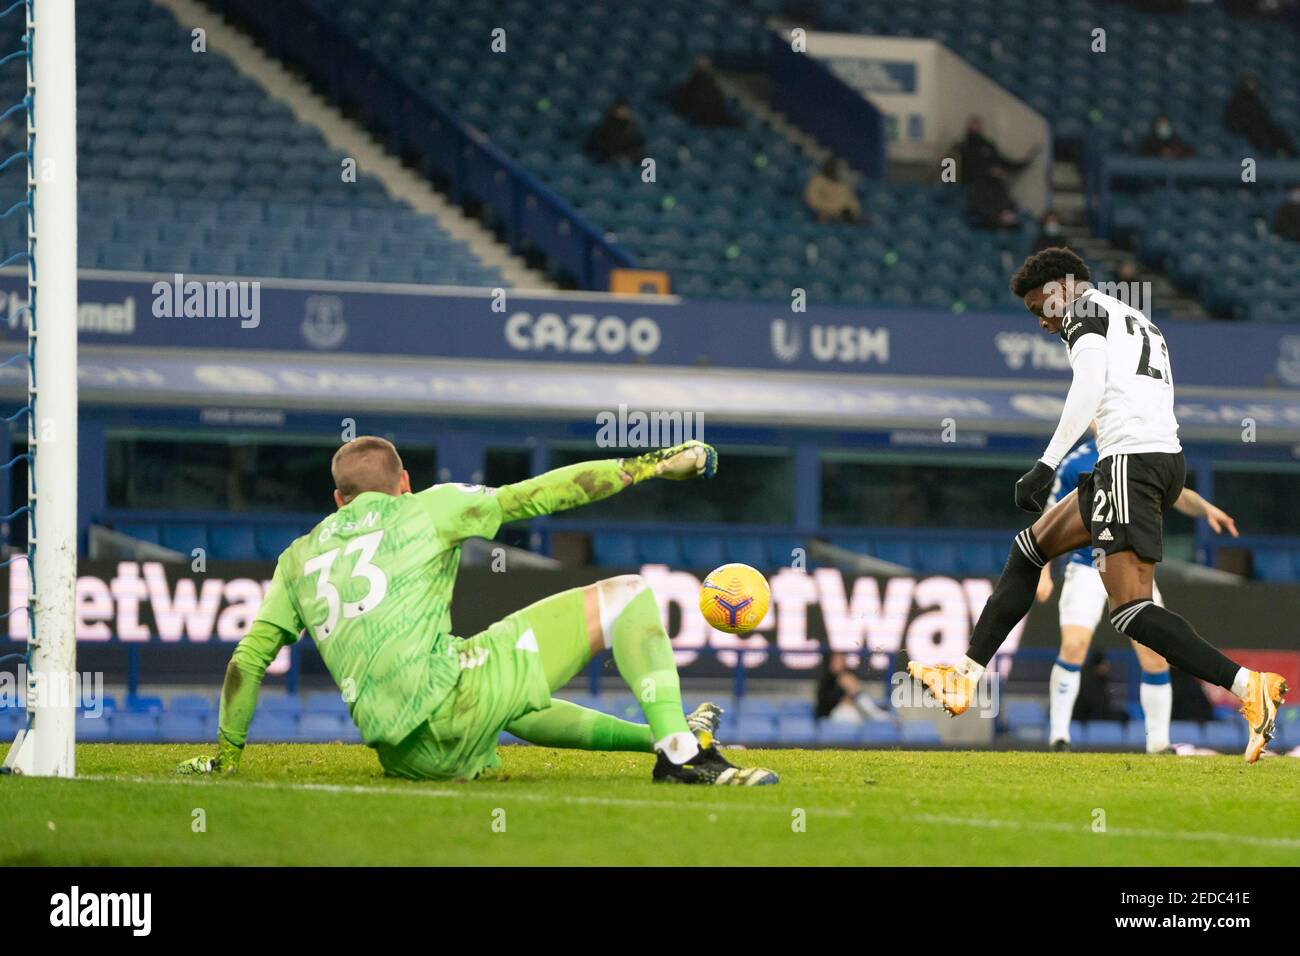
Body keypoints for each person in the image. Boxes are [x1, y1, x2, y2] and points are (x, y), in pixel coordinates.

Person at [178, 436, 777, 785]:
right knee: (629, 596)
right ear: (404, 482)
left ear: (337, 500)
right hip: (454, 700)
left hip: (406, 759)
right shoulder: (428, 508)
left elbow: (246, 662)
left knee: (504, 682)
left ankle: (659, 737)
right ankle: (679, 754)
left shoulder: (297, 557)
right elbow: (537, 494)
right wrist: (649, 465)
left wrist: (226, 756)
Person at [907, 246, 1288, 763]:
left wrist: (1045, 465)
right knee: (1029, 550)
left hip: (1130, 463)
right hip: (1150, 459)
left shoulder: (1083, 311)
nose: (1041, 320)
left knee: (1131, 612)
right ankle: (965, 676)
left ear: (1061, 289)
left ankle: (1248, 686)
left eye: (1039, 305)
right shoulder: (1134, 317)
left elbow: (1089, 386)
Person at [1036, 425, 1240, 752]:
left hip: (1132, 565)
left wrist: (1206, 508)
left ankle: (1158, 743)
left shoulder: (1141, 452)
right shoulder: (1076, 462)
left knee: (1155, 655)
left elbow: (1176, 493)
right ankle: (1059, 737)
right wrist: (1044, 572)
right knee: (1074, 646)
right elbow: (1049, 520)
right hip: (1089, 565)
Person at [1223, 72, 1298, 159]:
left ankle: (1289, 153)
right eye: (1249, 83)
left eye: (1253, 83)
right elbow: (1232, 118)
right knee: (1260, 134)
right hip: (1246, 128)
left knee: (1278, 131)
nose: (1251, 85)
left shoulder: (1256, 100)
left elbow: (1263, 116)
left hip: (1260, 125)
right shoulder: (1235, 100)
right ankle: (1274, 152)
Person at [815, 651, 892, 723]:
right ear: (831, 662)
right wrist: (843, 698)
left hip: (851, 712)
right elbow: (823, 705)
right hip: (831, 717)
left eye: (842, 659)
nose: (840, 662)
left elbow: (861, 699)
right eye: (837, 660)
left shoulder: (848, 676)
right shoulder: (826, 680)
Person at [668, 56, 741, 128]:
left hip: (715, 117)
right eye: (702, 66)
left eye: (706, 66)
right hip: (700, 119)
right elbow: (683, 105)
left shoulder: (714, 85)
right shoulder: (689, 86)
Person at [586, 96, 645, 164]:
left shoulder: (632, 128)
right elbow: (593, 145)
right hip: (607, 159)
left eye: (624, 109)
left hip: (626, 160)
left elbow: (638, 148)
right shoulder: (604, 128)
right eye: (619, 108)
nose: (621, 111)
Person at [804, 157, 864, 223]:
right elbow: (812, 200)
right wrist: (832, 210)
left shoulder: (843, 184)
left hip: (843, 215)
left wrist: (852, 211)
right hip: (825, 214)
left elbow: (852, 202)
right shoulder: (818, 181)